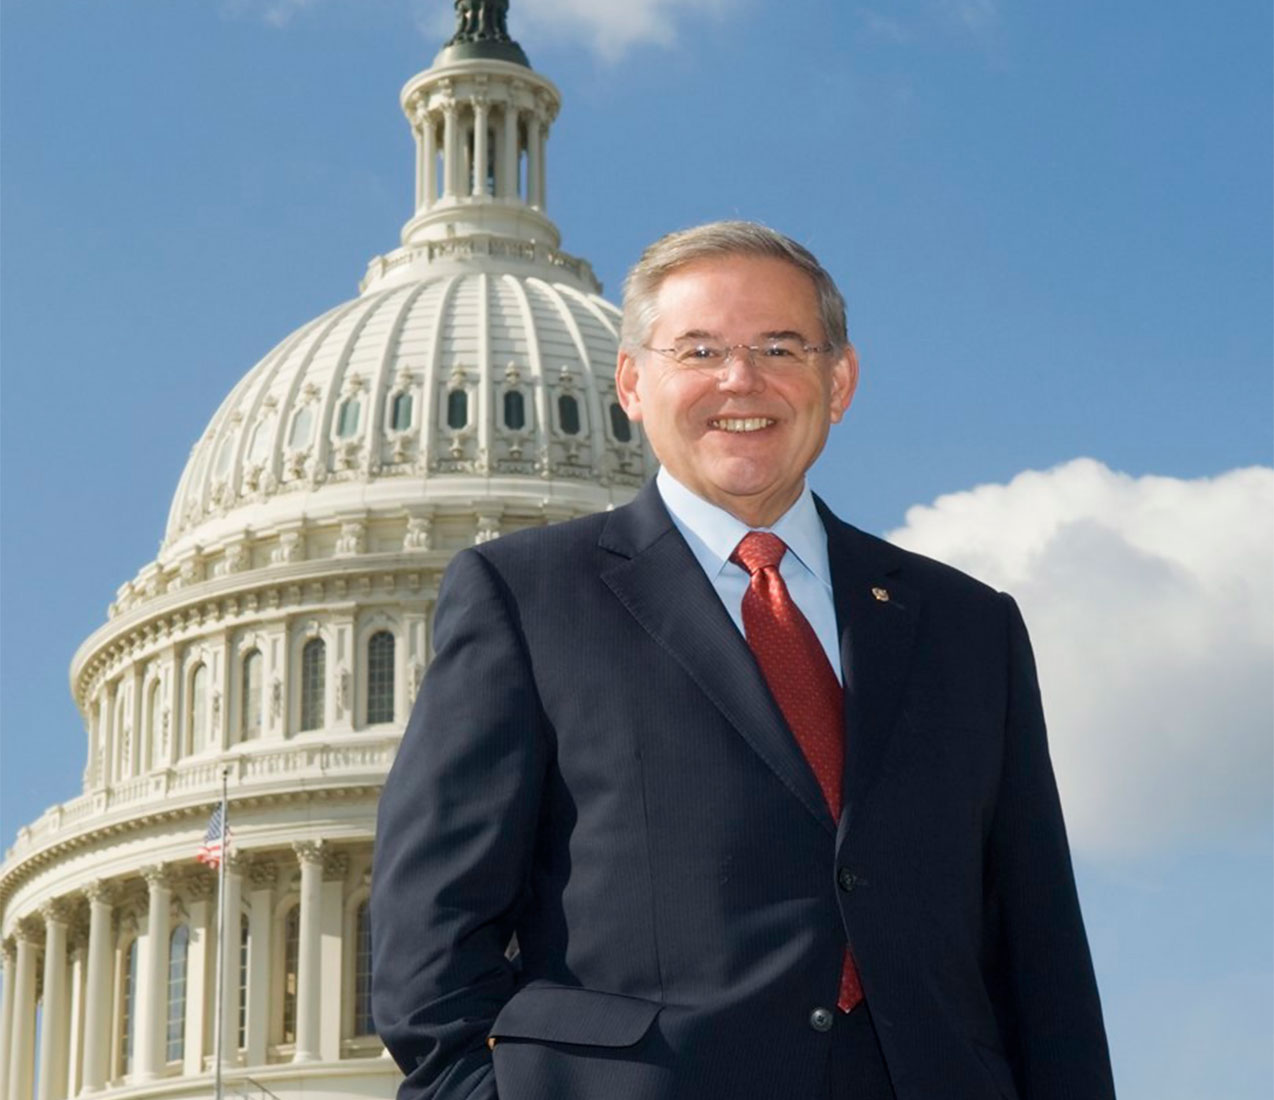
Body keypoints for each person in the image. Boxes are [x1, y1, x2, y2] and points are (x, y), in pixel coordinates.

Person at [371, 221, 1116, 1100]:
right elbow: (429, 934)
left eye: (780, 347)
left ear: (839, 381)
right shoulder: (525, 597)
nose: (740, 380)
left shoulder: (968, 625)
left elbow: (1041, 950)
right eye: (699, 350)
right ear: (631, 382)